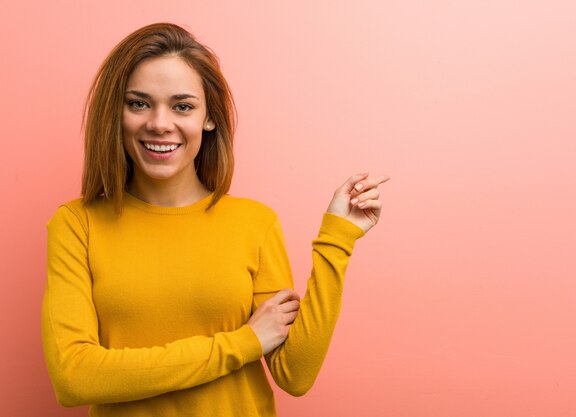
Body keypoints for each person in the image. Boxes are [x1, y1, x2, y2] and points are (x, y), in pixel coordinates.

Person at [42, 22, 389, 417]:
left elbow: (295, 374)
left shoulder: (253, 223)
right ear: (115, 113)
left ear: (209, 118)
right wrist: (243, 343)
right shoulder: (77, 224)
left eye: (182, 106)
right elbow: (74, 378)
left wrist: (337, 240)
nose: (159, 122)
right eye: (138, 103)